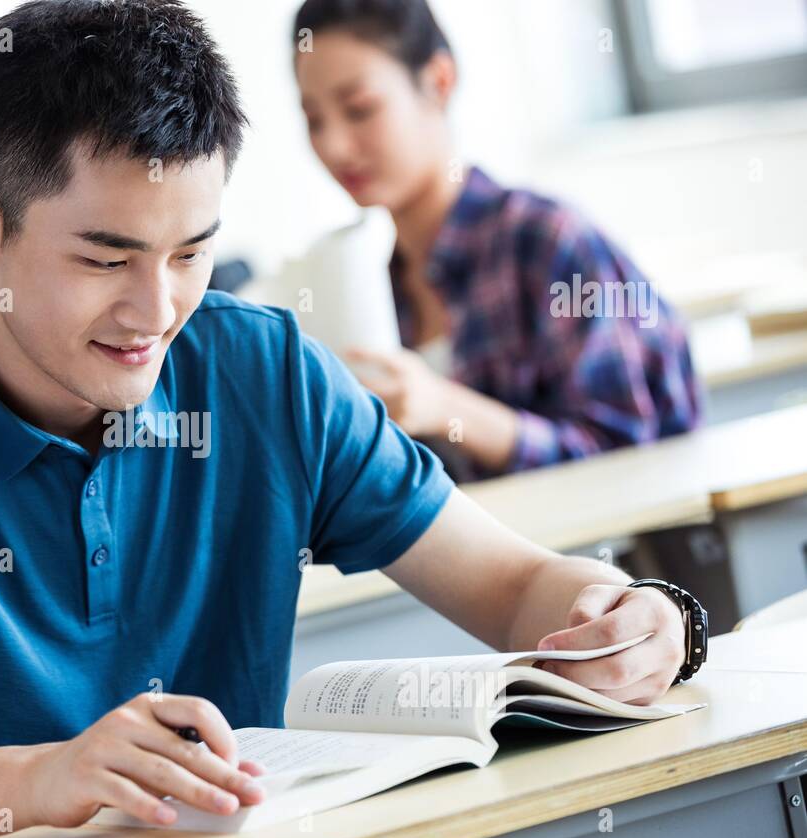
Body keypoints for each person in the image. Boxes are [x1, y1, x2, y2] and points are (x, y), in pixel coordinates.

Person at [0, 0, 694, 838]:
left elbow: (515, 586)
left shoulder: (266, 373)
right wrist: (46, 776)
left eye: (192, 251)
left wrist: (625, 612)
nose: (154, 310)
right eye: (104, 257)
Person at [293, 0, 703, 480]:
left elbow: (628, 450)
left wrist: (448, 408)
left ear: (439, 82)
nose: (335, 146)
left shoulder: (547, 241)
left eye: (359, 108)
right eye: (314, 120)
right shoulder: (380, 286)